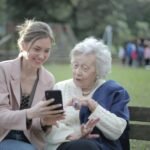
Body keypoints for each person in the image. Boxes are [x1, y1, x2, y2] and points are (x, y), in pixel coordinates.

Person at [46, 37, 130, 150]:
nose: (77, 72)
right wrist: (74, 135)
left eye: (84, 68)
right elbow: (48, 126)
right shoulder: (60, 88)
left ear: (99, 70)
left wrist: (93, 106)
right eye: (75, 65)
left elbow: (117, 131)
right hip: (64, 145)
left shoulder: (114, 91)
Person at [0, 19, 64, 150]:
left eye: (47, 51)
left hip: (31, 141)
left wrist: (44, 122)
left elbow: (36, 124)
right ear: (23, 45)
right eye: (37, 49)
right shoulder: (3, 70)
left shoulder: (48, 79)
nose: (41, 56)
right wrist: (30, 113)